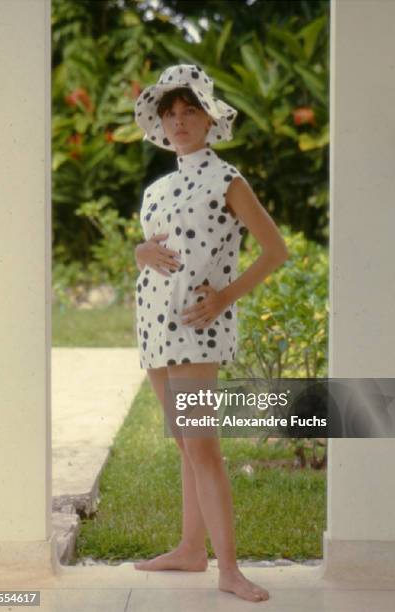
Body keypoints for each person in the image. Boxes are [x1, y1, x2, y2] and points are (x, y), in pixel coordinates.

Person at [132, 64, 289, 603]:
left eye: (188, 111)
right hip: (154, 322)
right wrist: (140, 252)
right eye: (170, 114)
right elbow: (150, 252)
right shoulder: (156, 189)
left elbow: (276, 251)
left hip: (198, 330)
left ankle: (229, 570)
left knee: (203, 448)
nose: (178, 122)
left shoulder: (228, 180)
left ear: (208, 118)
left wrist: (223, 298)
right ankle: (189, 550)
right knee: (184, 444)